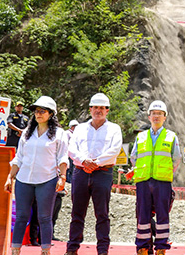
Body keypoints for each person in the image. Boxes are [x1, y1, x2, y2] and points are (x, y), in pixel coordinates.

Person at [4, 96, 68, 255]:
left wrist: (63, 177)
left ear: (51, 114)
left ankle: (45, 250)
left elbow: (62, 157)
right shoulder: (27, 132)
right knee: (21, 216)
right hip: (23, 179)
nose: (38, 114)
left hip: (47, 179)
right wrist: (9, 177)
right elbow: (18, 158)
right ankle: (15, 250)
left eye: (42, 111)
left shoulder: (59, 134)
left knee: (45, 217)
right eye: (36, 111)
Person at [66, 93, 123, 255]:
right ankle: (72, 248)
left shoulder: (114, 129)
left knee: (102, 213)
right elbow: (71, 148)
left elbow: (114, 150)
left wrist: (95, 163)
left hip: (103, 173)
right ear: (90, 109)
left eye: (102, 108)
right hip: (80, 172)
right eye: (95, 107)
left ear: (107, 111)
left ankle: (103, 250)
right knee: (77, 212)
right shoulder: (81, 128)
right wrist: (84, 161)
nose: (98, 110)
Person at [131, 100, 182, 255]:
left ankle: (161, 247)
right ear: (149, 116)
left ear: (165, 117)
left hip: (162, 182)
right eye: (154, 113)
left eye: (160, 114)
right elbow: (134, 157)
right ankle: (143, 247)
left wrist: (164, 171)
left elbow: (176, 158)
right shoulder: (141, 137)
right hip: (144, 181)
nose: (156, 116)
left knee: (162, 215)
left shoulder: (171, 136)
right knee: (143, 215)